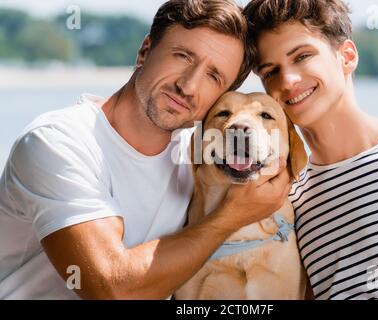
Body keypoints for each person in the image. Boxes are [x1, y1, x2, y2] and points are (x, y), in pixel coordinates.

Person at [0, 0, 292, 299]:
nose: (189, 86)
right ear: (144, 51)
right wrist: (230, 217)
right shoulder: (58, 142)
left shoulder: (200, 158)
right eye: (182, 56)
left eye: (213, 77)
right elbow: (113, 288)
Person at [244, 0, 378, 300]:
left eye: (302, 56)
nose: (287, 81)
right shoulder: (285, 200)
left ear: (347, 56)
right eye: (271, 71)